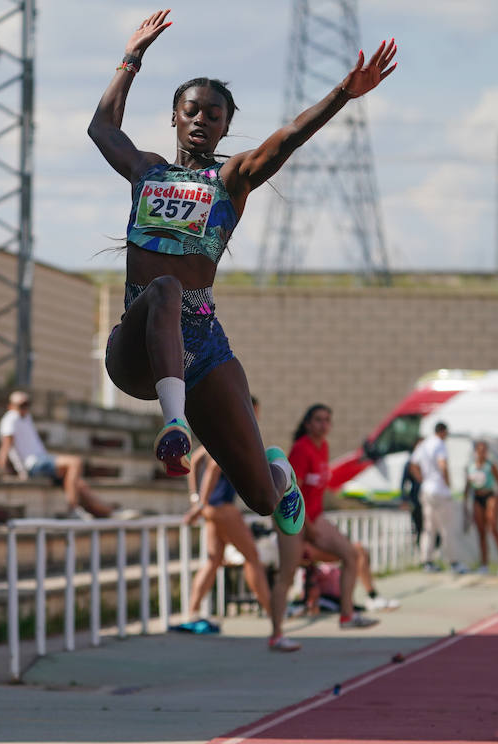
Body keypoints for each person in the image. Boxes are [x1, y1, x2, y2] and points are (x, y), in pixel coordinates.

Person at [88, 10, 395, 649]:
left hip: (203, 347)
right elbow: (100, 126)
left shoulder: (229, 181)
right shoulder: (147, 173)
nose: (202, 120)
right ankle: (175, 425)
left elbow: (284, 141)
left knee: (260, 499)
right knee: (168, 289)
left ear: (227, 126)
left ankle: (273, 469)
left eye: (214, 114)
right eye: (191, 110)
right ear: (174, 117)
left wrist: (344, 92)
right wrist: (130, 57)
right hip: (138, 344)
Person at [288, 404, 393, 628]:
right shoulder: (301, 448)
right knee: (284, 577)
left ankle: (348, 614)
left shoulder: (323, 447)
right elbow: (291, 491)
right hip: (300, 522)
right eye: (318, 419)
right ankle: (278, 628)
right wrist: (305, 525)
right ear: (307, 423)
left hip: (317, 518)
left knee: (353, 554)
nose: (324, 424)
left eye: (327, 420)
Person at [181, 397, 271, 631]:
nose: (256, 418)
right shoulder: (233, 432)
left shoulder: (220, 431)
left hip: (213, 507)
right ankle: (274, 613)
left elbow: (196, 458)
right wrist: (199, 505)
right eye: (255, 412)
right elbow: (212, 468)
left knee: (213, 561)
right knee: (252, 557)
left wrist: (195, 499)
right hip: (221, 507)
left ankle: (191, 613)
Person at [0, 390, 114, 519]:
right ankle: (73, 509)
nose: (25, 408)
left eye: (27, 404)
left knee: (80, 485)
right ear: (11, 406)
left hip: (41, 460)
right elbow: (7, 447)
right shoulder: (10, 419)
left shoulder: (26, 417)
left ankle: (107, 512)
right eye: (21, 405)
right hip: (33, 464)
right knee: (75, 462)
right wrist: (8, 470)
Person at [410, 422, 465, 574]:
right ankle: (453, 561)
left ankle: (426, 560)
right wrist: (447, 484)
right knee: (447, 528)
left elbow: (413, 464)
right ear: (442, 432)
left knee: (429, 528)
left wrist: (422, 479)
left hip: (427, 490)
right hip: (440, 491)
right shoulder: (439, 444)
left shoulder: (424, 444)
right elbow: (443, 465)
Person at [465, 439, 498, 576]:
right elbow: (468, 485)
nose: (481, 453)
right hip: (477, 498)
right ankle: (484, 564)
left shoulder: (491, 466)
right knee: (481, 531)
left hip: (490, 495)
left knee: (493, 526)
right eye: (479, 450)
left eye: (484, 450)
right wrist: (465, 502)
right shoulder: (471, 466)